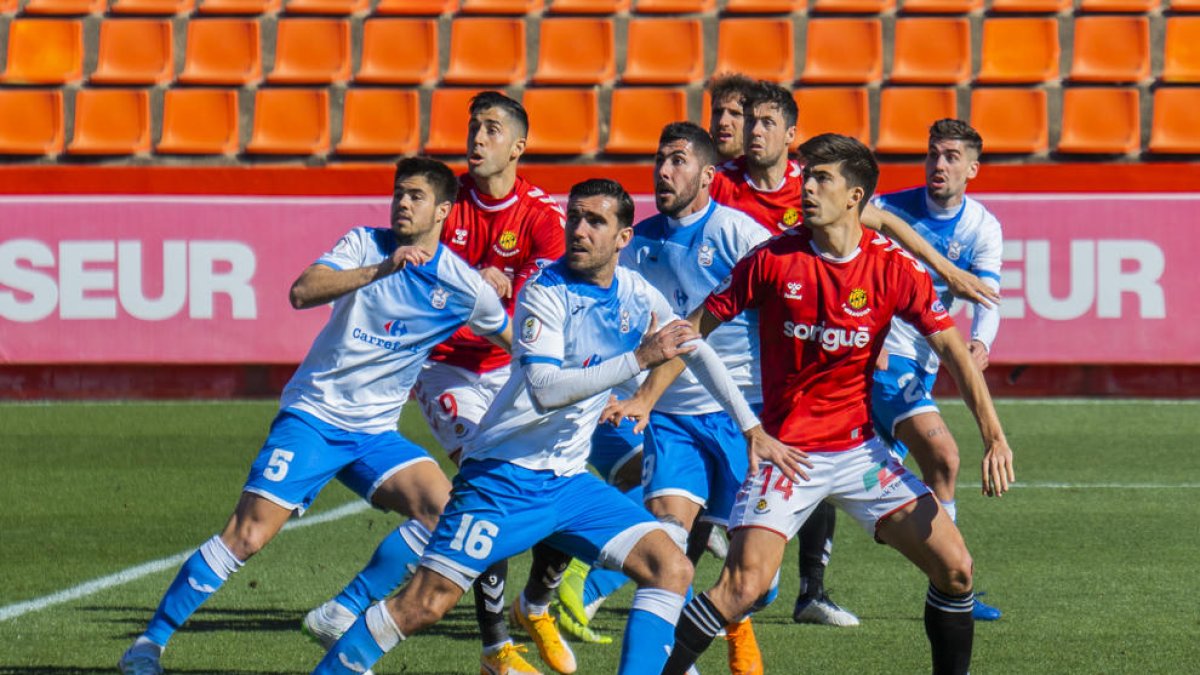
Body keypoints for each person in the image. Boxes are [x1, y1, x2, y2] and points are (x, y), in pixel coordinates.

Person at [310, 178, 799, 675]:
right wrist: (638, 359)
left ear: (623, 239)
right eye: (575, 219)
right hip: (503, 480)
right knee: (424, 604)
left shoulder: (634, 292)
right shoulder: (545, 291)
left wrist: (750, 427)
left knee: (670, 567)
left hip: (568, 484)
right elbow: (545, 387)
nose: (580, 231)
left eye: (596, 221)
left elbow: (691, 343)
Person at [117, 157, 512, 675]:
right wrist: (379, 271)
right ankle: (147, 645)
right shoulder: (365, 245)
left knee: (446, 512)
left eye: (415, 195)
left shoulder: (462, 286)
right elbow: (301, 292)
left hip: (374, 434)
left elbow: (515, 343)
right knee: (248, 535)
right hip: (315, 416)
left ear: (443, 209)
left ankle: (340, 610)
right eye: (398, 193)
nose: (402, 203)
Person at [659, 134, 1015, 675]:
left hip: (860, 456)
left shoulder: (893, 268)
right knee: (742, 588)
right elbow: (693, 332)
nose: (807, 187)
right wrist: (657, 397)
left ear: (856, 196)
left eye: (822, 178)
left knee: (957, 569)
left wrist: (993, 435)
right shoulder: (772, 259)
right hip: (788, 456)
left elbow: (954, 353)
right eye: (807, 177)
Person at [710, 81, 1001, 627]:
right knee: (741, 575)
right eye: (741, 119)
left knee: (907, 466)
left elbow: (884, 222)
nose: (749, 129)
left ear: (788, 134)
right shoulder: (729, 194)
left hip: (846, 384)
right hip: (760, 364)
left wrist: (946, 271)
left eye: (762, 121)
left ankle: (822, 587)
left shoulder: (833, 201)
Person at [302, 91, 573, 675]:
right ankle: (495, 645)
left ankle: (532, 608)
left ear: (518, 147)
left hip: (511, 365)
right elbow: (414, 275)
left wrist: (514, 291)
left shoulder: (544, 217)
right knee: (485, 487)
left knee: (543, 486)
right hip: (445, 367)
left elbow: (551, 300)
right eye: (473, 126)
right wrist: (478, 281)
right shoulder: (442, 201)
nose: (477, 138)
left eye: (492, 129)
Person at [557, 123, 774, 674]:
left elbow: (781, 309)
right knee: (668, 540)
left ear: (707, 175)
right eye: (659, 160)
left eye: (678, 161)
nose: (663, 171)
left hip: (737, 411)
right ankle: (658, 655)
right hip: (671, 418)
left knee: (758, 580)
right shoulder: (637, 242)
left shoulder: (738, 234)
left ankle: (739, 618)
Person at [870, 119, 1005, 621]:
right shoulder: (886, 210)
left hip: (925, 361)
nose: (939, 165)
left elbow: (986, 294)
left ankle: (950, 576)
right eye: (932, 154)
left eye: (951, 156)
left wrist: (980, 341)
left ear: (972, 168)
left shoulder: (981, 226)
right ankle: (953, 583)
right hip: (884, 358)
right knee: (944, 458)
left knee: (866, 467)